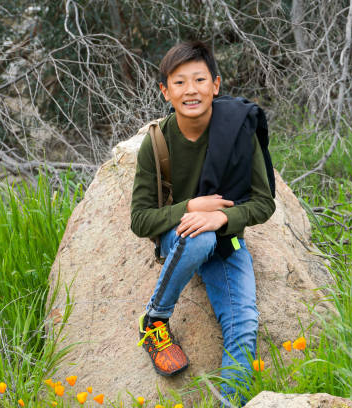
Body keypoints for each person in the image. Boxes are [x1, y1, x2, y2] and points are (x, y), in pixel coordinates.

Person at [130, 41, 276, 404]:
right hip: (180, 239)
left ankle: (231, 402)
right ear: (165, 91)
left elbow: (263, 203)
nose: (190, 90)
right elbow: (140, 219)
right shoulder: (158, 142)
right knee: (198, 240)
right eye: (179, 82)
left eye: (199, 79)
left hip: (226, 239)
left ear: (216, 84)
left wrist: (221, 217)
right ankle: (155, 321)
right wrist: (190, 207)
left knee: (243, 325)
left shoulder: (238, 131)